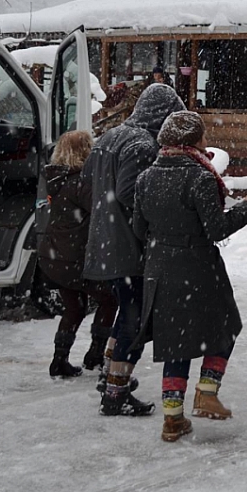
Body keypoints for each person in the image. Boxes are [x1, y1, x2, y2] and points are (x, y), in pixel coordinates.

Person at [131, 111, 247, 442]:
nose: (206, 142)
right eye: (202, 136)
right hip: (198, 268)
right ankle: (207, 391)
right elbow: (216, 228)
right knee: (225, 327)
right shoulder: (199, 178)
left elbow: (138, 227)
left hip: (160, 269)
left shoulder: (146, 177)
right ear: (193, 140)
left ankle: (172, 419)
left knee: (174, 343)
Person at [83, 83, 186, 417]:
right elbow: (130, 192)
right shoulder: (142, 144)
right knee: (135, 319)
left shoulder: (111, 136)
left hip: (104, 239)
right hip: (128, 246)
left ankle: (110, 373)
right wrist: (158, 215)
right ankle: (116, 392)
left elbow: (89, 183)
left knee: (126, 310)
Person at [39, 131, 119, 378]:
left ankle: (59, 360)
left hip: (54, 255)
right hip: (76, 258)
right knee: (109, 300)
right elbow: (105, 211)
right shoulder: (81, 183)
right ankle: (95, 355)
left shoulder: (56, 178)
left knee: (74, 306)